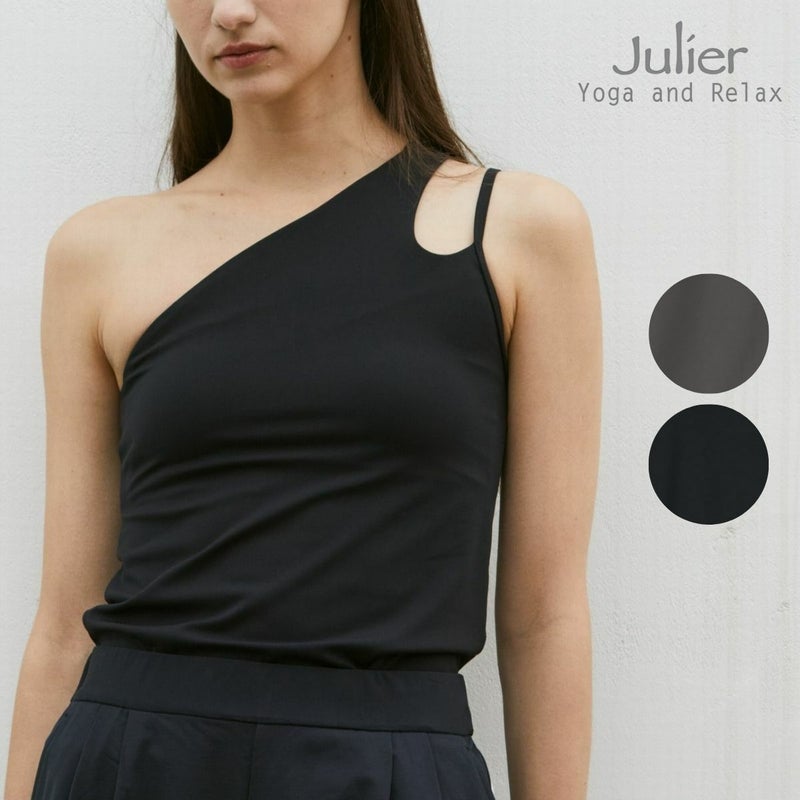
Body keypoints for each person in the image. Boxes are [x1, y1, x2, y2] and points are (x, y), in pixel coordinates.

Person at [5, 1, 602, 799]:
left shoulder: (517, 229)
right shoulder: (100, 251)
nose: (229, 12)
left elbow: (544, 615)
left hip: (387, 768)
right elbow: (63, 623)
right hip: (131, 758)